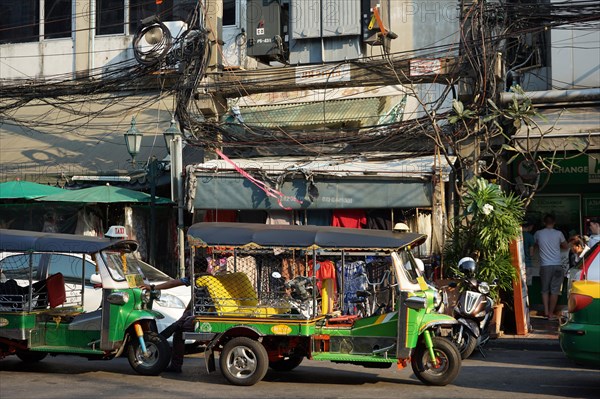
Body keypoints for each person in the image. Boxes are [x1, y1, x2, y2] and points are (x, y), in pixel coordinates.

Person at [140, 255, 209, 373]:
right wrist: (186, 313)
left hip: (203, 315)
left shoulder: (198, 279)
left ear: (196, 268)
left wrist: (152, 287)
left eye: (189, 267)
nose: (187, 269)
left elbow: (173, 283)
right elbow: (195, 299)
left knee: (179, 329)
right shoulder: (205, 278)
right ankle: (162, 342)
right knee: (177, 329)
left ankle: (163, 346)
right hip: (199, 312)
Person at [534, 214, 568, 321]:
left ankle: (546, 311)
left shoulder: (538, 233)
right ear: (554, 223)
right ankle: (551, 314)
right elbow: (566, 246)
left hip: (545, 266)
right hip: (557, 265)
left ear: (544, 222)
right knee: (555, 290)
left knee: (544, 290)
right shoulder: (559, 234)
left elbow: (534, 245)